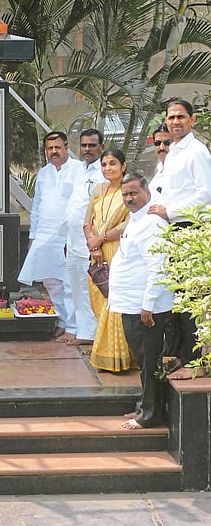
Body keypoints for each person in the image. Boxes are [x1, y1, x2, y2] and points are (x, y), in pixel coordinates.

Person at [148, 98, 211, 379]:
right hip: (172, 231)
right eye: (171, 117)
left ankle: (194, 362)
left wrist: (170, 211)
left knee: (189, 298)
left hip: (190, 229)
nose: (175, 121)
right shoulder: (173, 151)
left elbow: (205, 194)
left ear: (192, 120)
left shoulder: (196, 151)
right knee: (177, 298)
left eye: (181, 117)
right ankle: (180, 355)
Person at [108, 173, 173, 428]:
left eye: (134, 193)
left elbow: (158, 266)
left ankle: (149, 415)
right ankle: (144, 407)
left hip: (145, 308)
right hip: (131, 304)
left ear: (147, 192)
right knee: (143, 359)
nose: (129, 198)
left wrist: (148, 305)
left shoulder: (152, 223)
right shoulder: (136, 219)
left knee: (149, 360)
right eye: (125, 194)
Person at [18, 131, 81, 335]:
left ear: (66, 148)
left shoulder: (79, 170)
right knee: (50, 281)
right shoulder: (44, 173)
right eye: (50, 148)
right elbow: (36, 206)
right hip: (45, 235)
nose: (54, 151)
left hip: (69, 235)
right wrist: (33, 236)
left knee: (69, 281)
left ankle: (74, 326)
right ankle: (62, 322)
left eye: (57, 147)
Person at [84, 148, 131, 372]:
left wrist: (101, 239)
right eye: (104, 164)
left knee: (115, 301)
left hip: (117, 250)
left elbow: (127, 224)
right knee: (100, 299)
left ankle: (116, 356)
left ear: (123, 166)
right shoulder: (98, 190)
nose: (108, 168)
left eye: (113, 163)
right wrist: (94, 246)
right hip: (96, 252)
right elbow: (87, 222)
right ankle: (106, 351)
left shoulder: (128, 190)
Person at [64, 129, 105, 346]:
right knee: (76, 289)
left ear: (101, 147)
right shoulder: (79, 170)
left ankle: (97, 335)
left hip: (90, 242)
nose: (87, 149)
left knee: (92, 288)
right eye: (84, 145)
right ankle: (85, 332)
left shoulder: (103, 172)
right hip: (72, 241)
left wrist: (95, 243)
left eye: (92, 145)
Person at [148, 122, 171, 201]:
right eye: (157, 143)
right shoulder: (160, 168)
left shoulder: (181, 169)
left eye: (167, 143)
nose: (161, 147)